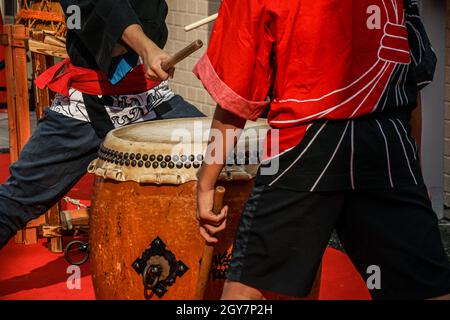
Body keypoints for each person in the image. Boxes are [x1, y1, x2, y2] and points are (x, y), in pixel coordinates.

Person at [195, 0, 450, 300]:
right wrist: (414, 174)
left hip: (304, 146)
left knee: (246, 291)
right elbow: (411, 87)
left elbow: (235, 97)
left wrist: (206, 181)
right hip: (387, 143)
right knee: (425, 289)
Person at [0, 0, 203, 249]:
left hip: (150, 99)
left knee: (223, 155)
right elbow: (107, 6)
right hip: (84, 108)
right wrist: (147, 48)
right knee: (18, 200)